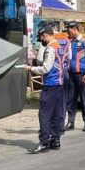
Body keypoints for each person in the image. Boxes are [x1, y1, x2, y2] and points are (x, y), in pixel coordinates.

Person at [24, 26, 65, 154]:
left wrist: (31, 69)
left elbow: (46, 68)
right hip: (60, 83)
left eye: (41, 37)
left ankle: (44, 142)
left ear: (46, 35)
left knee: (44, 113)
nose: (41, 40)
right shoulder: (59, 46)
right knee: (57, 113)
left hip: (51, 84)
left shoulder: (50, 49)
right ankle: (56, 139)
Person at [65, 21, 85, 132]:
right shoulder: (70, 41)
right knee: (71, 99)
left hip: (81, 74)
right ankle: (70, 122)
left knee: (84, 98)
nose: (68, 32)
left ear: (75, 29)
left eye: (70, 30)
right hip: (71, 73)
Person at [54, 27, 72, 133]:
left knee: (50, 101)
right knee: (63, 100)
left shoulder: (50, 40)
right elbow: (69, 57)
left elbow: (40, 59)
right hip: (64, 72)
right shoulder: (66, 39)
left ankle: (51, 126)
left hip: (52, 74)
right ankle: (61, 126)